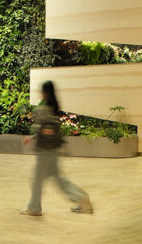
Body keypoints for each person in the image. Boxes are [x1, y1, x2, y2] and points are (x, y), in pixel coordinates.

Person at [21, 80, 93, 217]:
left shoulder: (44, 110)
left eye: (42, 91)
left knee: (37, 180)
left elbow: (42, 129)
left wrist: (32, 138)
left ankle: (34, 208)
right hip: (53, 150)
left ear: (45, 93)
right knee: (59, 179)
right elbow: (49, 130)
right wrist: (32, 138)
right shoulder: (55, 109)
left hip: (44, 151)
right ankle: (82, 199)